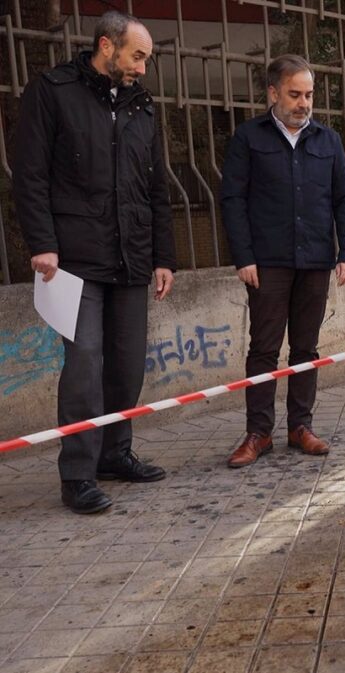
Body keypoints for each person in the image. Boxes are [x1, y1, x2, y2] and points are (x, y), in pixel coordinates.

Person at [14, 11, 176, 514]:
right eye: (137, 57)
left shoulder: (141, 107)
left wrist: (164, 258)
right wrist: (42, 242)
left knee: (126, 368)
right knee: (84, 369)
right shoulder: (52, 91)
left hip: (131, 259)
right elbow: (30, 174)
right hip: (74, 262)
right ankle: (78, 474)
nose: (142, 69)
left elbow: (156, 189)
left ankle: (115, 454)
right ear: (106, 46)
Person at [221, 54, 345, 468]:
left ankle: (300, 427)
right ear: (273, 93)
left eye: (309, 95)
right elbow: (233, 201)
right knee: (263, 349)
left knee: (306, 347)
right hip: (267, 263)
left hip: (316, 260)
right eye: (295, 94)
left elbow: (344, 198)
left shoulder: (327, 141)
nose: (304, 103)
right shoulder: (249, 138)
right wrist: (243, 256)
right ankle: (258, 433)